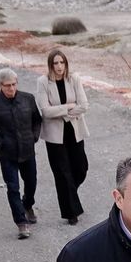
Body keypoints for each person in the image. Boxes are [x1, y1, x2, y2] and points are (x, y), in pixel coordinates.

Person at [0, 67, 44, 240]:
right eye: (7, 85)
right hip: (7, 154)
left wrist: (34, 137)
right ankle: (22, 223)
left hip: (27, 150)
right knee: (13, 187)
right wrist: (1, 142)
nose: (11, 89)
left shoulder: (27, 99)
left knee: (31, 183)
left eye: (14, 84)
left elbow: (37, 120)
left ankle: (28, 205)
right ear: (0, 85)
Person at [36, 49, 90, 226]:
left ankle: (70, 195)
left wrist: (60, 111)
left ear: (66, 64)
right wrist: (68, 108)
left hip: (74, 131)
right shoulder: (43, 82)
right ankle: (70, 212)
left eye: (62, 63)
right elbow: (45, 111)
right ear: (50, 65)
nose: (59, 67)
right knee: (62, 174)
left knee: (81, 168)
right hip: (54, 136)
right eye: (55, 63)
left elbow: (84, 105)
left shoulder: (74, 79)